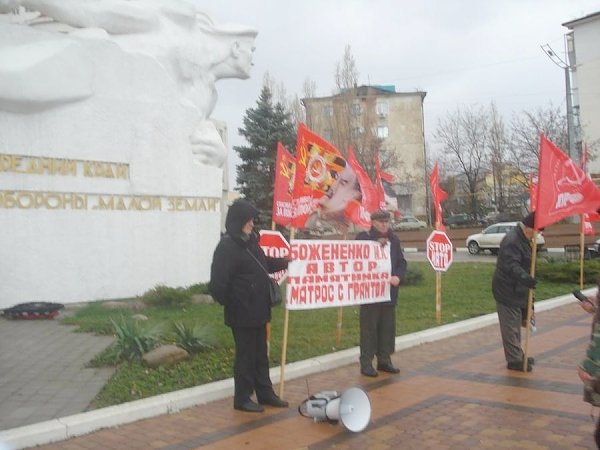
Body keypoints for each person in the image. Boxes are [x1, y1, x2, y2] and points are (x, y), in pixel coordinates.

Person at [209, 199, 289, 413]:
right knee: (245, 357)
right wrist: (234, 302)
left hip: (259, 311)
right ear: (238, 221)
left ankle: (265, 392)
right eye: (249, 220)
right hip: (241, 314)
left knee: (260, 355)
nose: (253, 224)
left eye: (253, 220)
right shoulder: (227, 247)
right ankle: (242, 398)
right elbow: (217, 285)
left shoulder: (251, 242)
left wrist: (285, 261)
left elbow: (263, 265)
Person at [355, 209, 407, 377]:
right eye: (381, 222)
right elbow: (354, 261)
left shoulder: (394, 240)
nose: (385, 225)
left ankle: (384, 360)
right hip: (370, 293)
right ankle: (366, 362)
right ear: (373, 222)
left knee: (387, 328)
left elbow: (401, 262)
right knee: (369, 328)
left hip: (388, 292)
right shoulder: (363, 239)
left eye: (387, 222)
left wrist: (398, 276)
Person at [492, 211, 539, 372]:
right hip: (507, 290)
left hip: (517, 289)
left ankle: (517, 354)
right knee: (510, 326)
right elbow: (512, 265)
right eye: (536, 232)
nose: (536, 236)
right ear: (528, 229)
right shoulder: (512, 240)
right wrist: (525, 277)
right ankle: (514, 360)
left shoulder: (522, 238)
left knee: (516, 325)